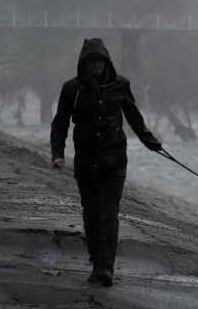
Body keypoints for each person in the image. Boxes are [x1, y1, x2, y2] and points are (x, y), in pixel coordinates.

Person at [50, 38, 163, 287]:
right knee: (91, 216)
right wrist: (57, 153)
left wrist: (151, 142)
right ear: (84, 64)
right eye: (91, 62)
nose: (96, 66)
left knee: (108, 215)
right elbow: (60, 123)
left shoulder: (120, 85)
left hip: (114, 163)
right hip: (85, 163)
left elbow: (133, 117)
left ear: (106, 61)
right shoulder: (72, 89)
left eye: (99, 61)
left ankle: (106, 268)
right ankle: (95, 261)